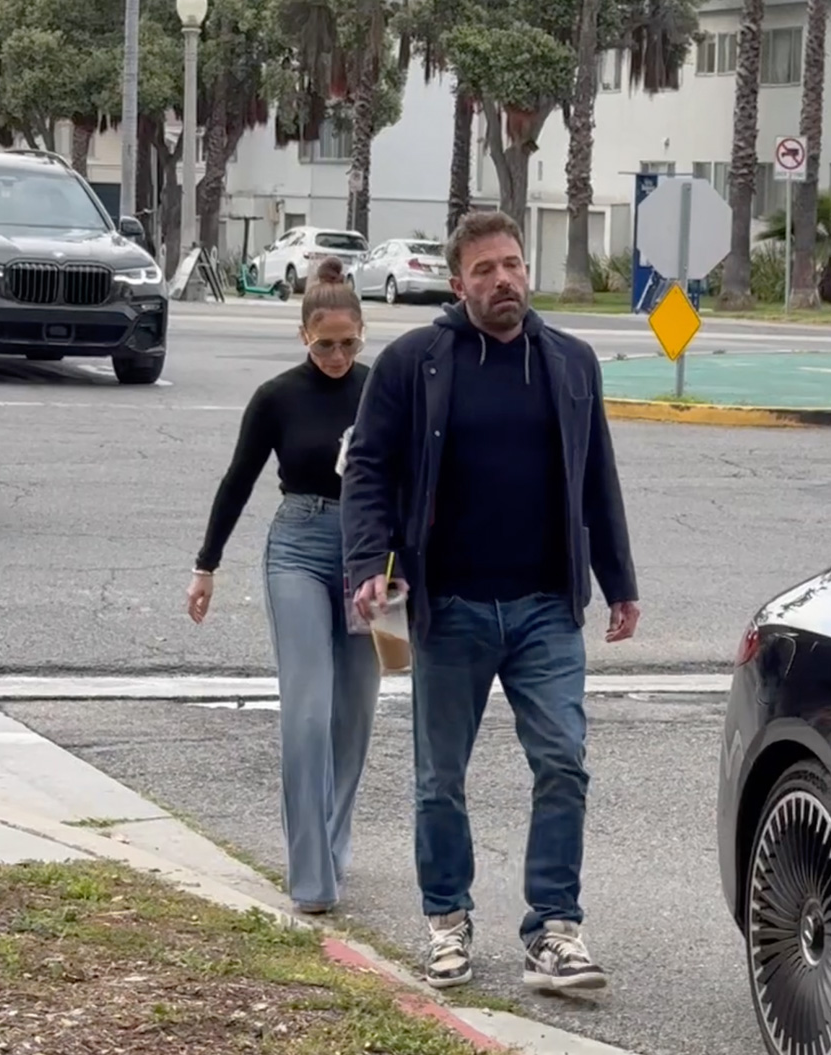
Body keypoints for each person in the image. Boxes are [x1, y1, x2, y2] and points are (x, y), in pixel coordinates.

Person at [341, 210, 640, 994]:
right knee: (441, 776)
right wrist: (368, 561)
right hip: (453, 608)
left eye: (512, 264)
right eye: (485, 270)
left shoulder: (570, 363)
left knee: (564, 763)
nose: (503, 279)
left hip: (546, 605)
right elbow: (368, 468)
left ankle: (554, 929)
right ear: (457, 280)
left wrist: (620, 580)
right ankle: (446, 921)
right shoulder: (415, 363)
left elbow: (596, 476)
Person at [187, 255, 378, 917]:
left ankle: (333, 840)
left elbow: (415, 485)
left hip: (373, 558)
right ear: (303, 336)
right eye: (324, 344)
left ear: (363, 334)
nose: (335, 355)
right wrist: (206, 564)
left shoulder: (383, 392)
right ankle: (311, 876)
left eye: (348, 343)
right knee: (307, 711)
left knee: (355, 714)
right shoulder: (276, 396)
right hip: (297, 545)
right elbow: (237, 481)